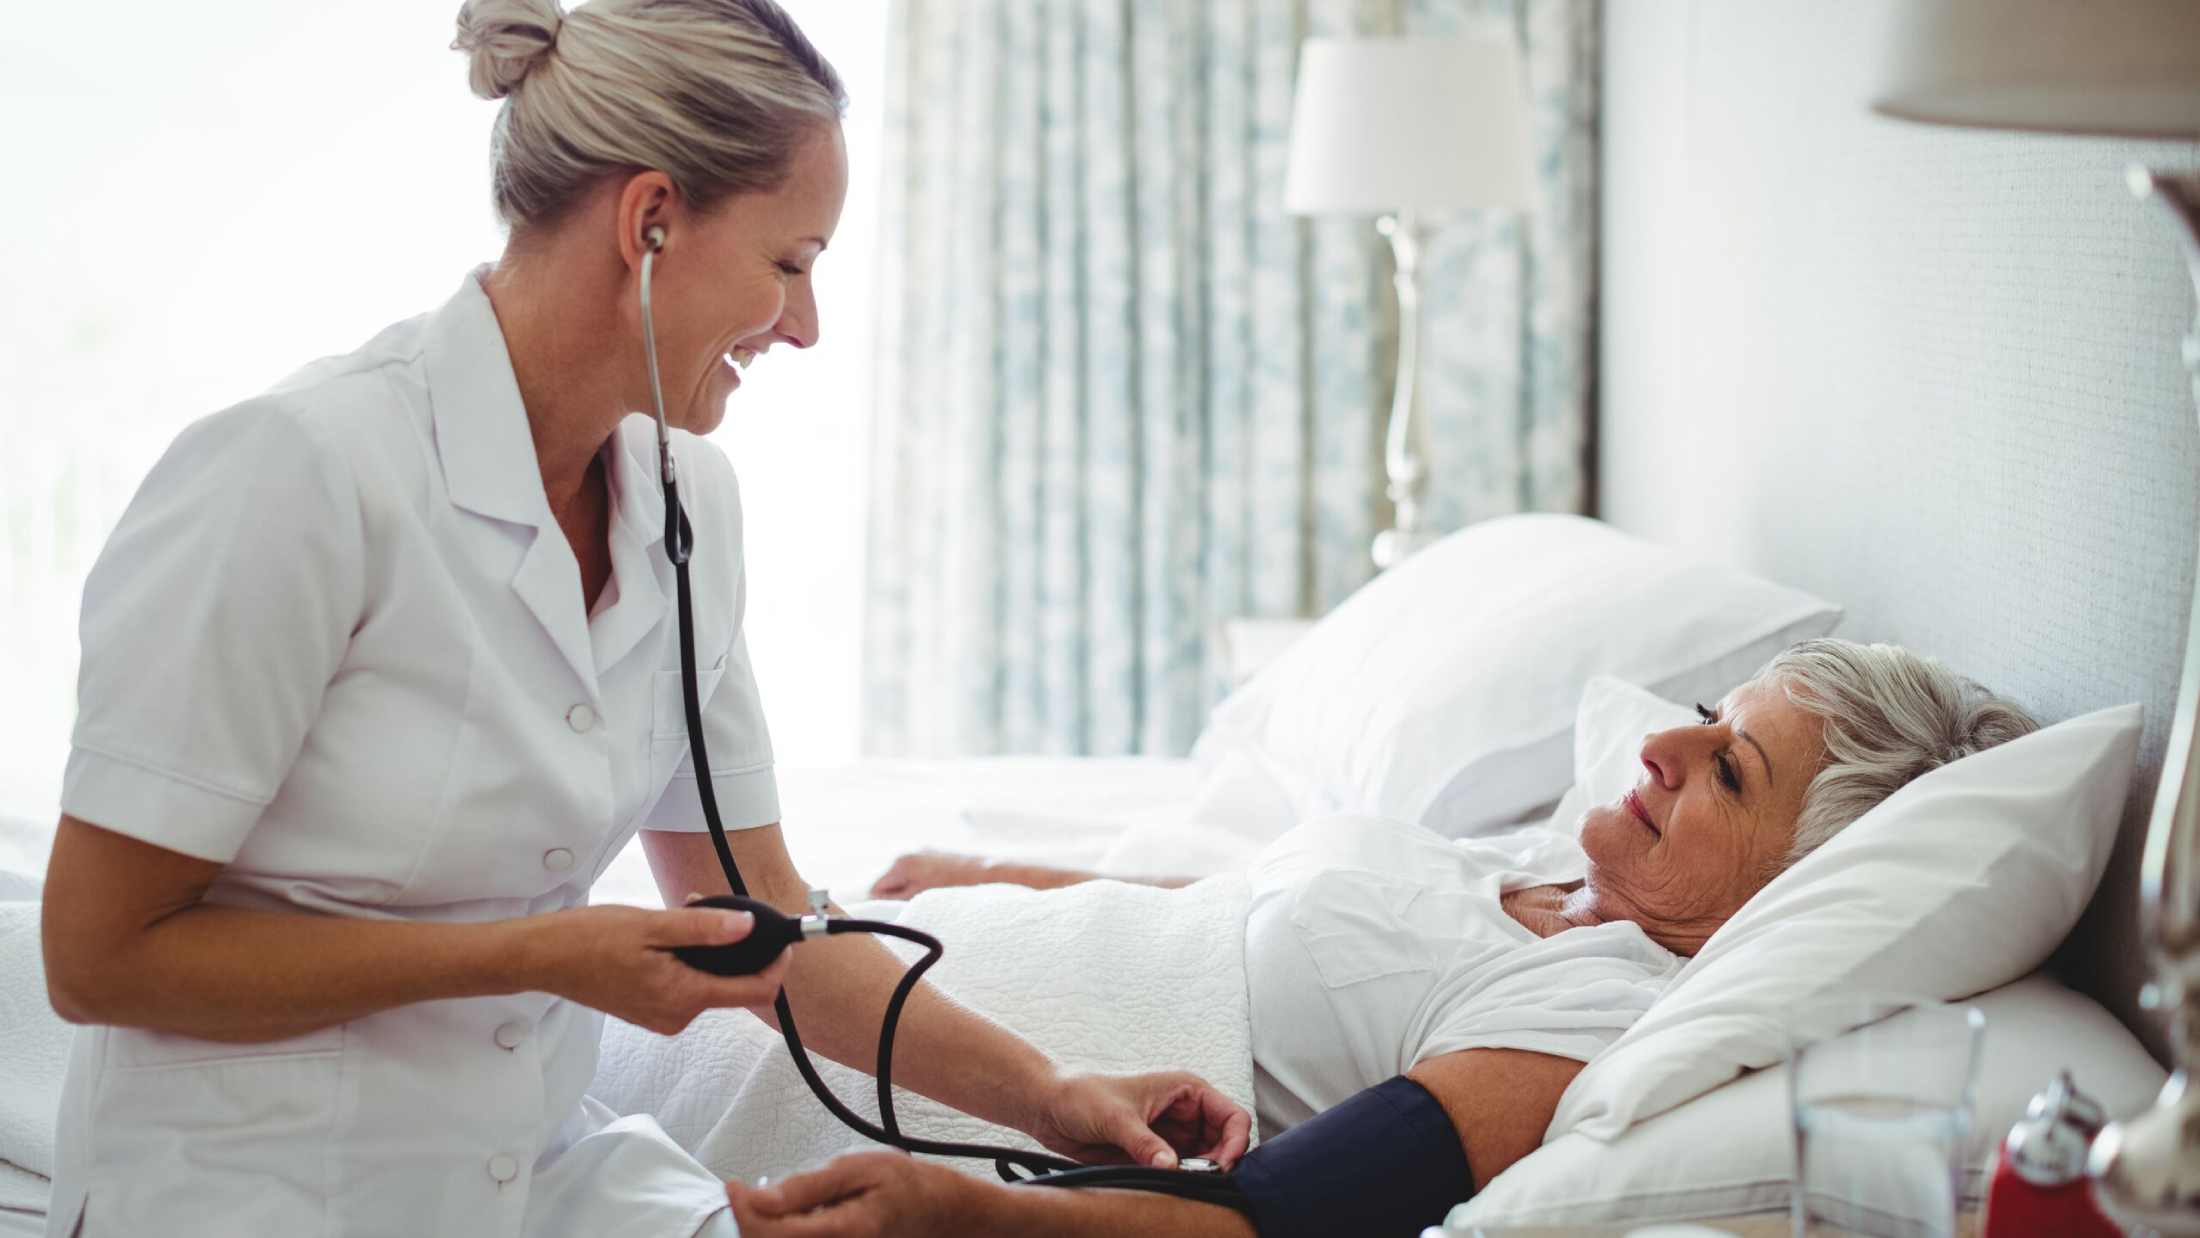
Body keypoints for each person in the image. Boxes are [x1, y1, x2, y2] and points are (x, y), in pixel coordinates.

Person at [35, 3, 1244, 1236]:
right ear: (649, 220)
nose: (807, 324)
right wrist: (540, 954)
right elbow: (96, 958)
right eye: (789, 263)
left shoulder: (686, 506)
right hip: (246, 1194)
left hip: (532, 1181)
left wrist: (1047, 1095)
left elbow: (761, 905)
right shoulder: (296, 473)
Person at [719, 639, 2040, 1236]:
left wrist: (957, 1216)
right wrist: (993, 874)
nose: (1662, 742)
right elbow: (1241, 907)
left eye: (1730, 770)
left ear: (1795, 883)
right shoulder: (1548, 868)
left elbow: (1280, 1219)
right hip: (864, 983)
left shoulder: (1592, 1012)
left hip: (879, 1101)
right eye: (1705, 710)